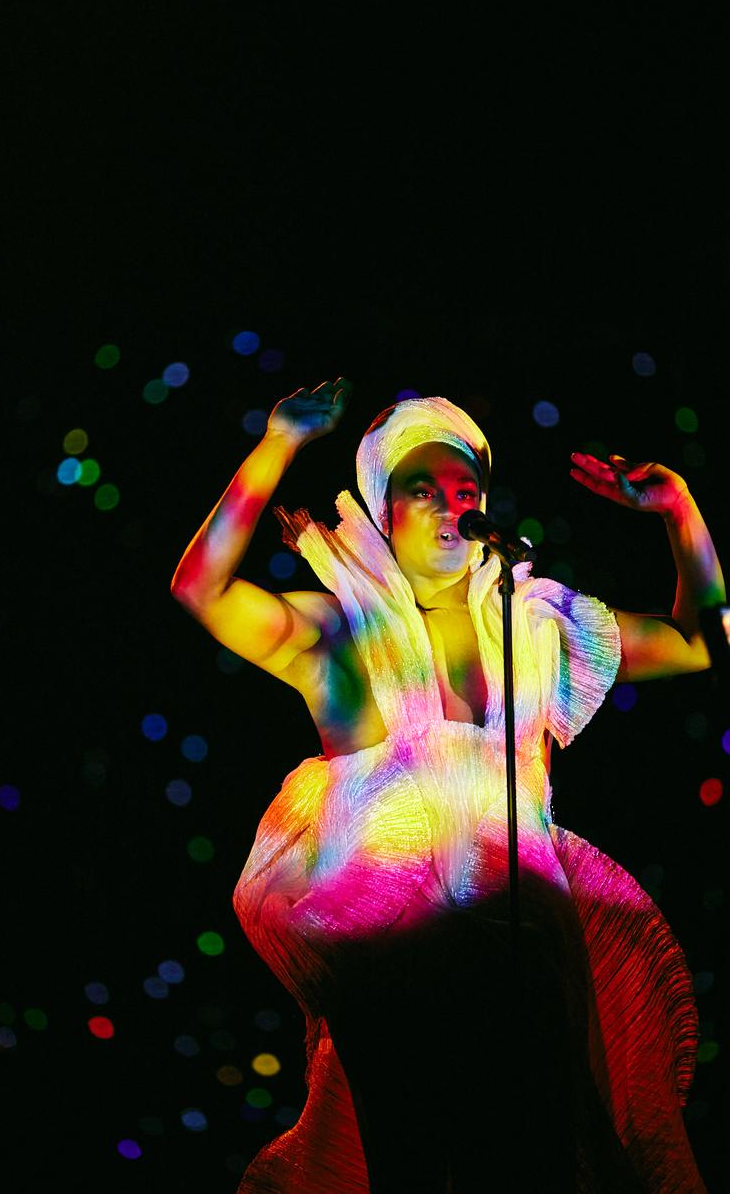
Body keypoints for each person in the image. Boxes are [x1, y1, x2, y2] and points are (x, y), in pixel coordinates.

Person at [170, 380, 723, 1193]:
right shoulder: (340, 638)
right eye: (421, 490)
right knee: (421, 1165)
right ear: (383, 512)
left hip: (527, 949)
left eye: (466, 491)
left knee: (541, 1163)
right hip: (397, 964)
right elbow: (200, 589)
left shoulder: (534, 627)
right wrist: (276, 444)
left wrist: (681, 510)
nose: (449, 506)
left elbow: (703, 640)